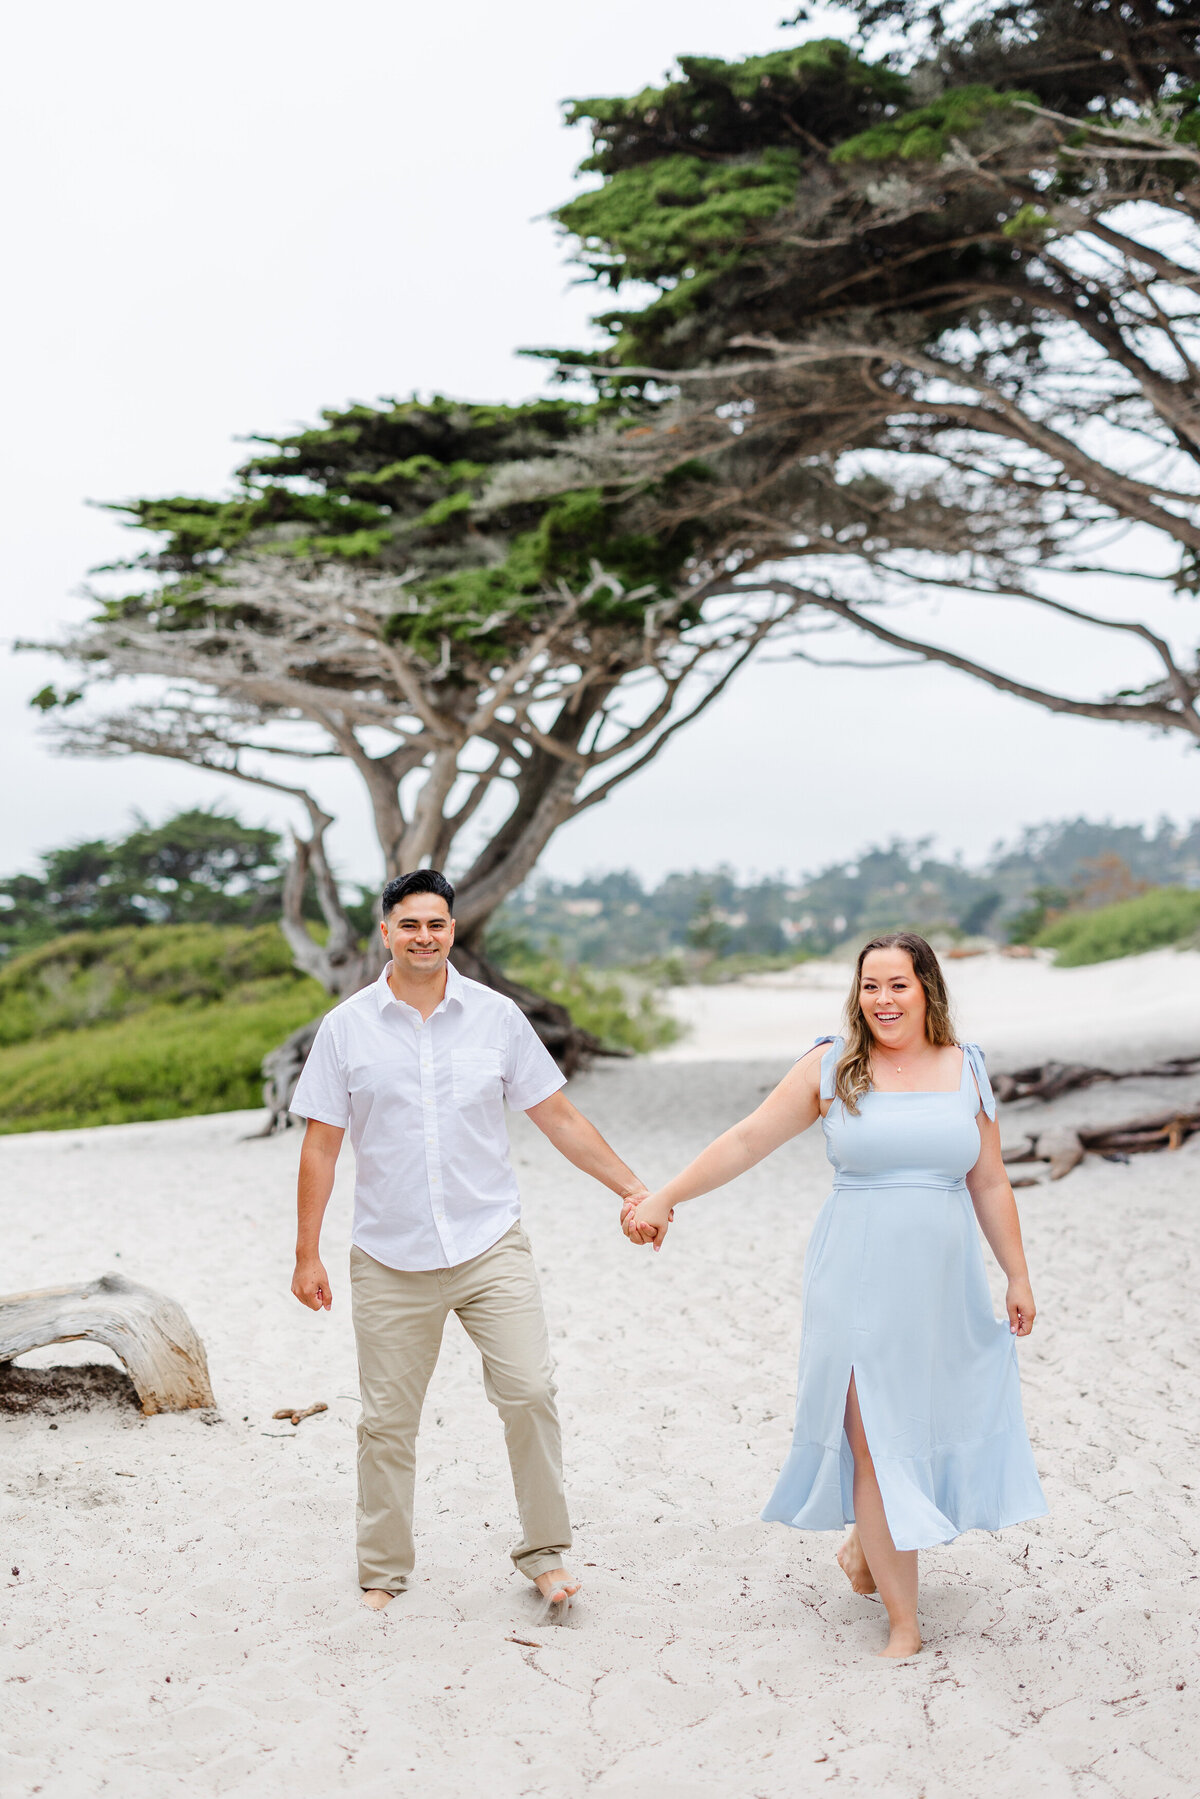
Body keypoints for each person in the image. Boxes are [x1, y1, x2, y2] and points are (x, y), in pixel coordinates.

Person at [623, 931, 1046, 1659]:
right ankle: (905, 1624)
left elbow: (989, 1179)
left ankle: (863, 1550)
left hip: (941, 1285)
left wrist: (1017, 1271)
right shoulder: (833, 1066)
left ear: (927, 990)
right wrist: (666, 1195)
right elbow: (749, 1138)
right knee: (875, 1440)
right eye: (870, 985)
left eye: (898, 985)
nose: (882, 999)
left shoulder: (964, 1068)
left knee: (916, 1425)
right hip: (854, 1278)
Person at [289, 869, 648, 1611]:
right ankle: (383, 1567)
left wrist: (633, 1188)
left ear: (454, 931)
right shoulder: (346, 1027)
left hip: (490, 1244)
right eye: (410, 923)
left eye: (438, 923)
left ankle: (545, 1553)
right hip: (389, 1255)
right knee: (386, 1421)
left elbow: (560, 1118)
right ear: (385, 932)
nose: (426, 935)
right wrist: (307, 1252)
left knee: (530, 1390)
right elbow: (321, 1146)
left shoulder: (497, 1018)